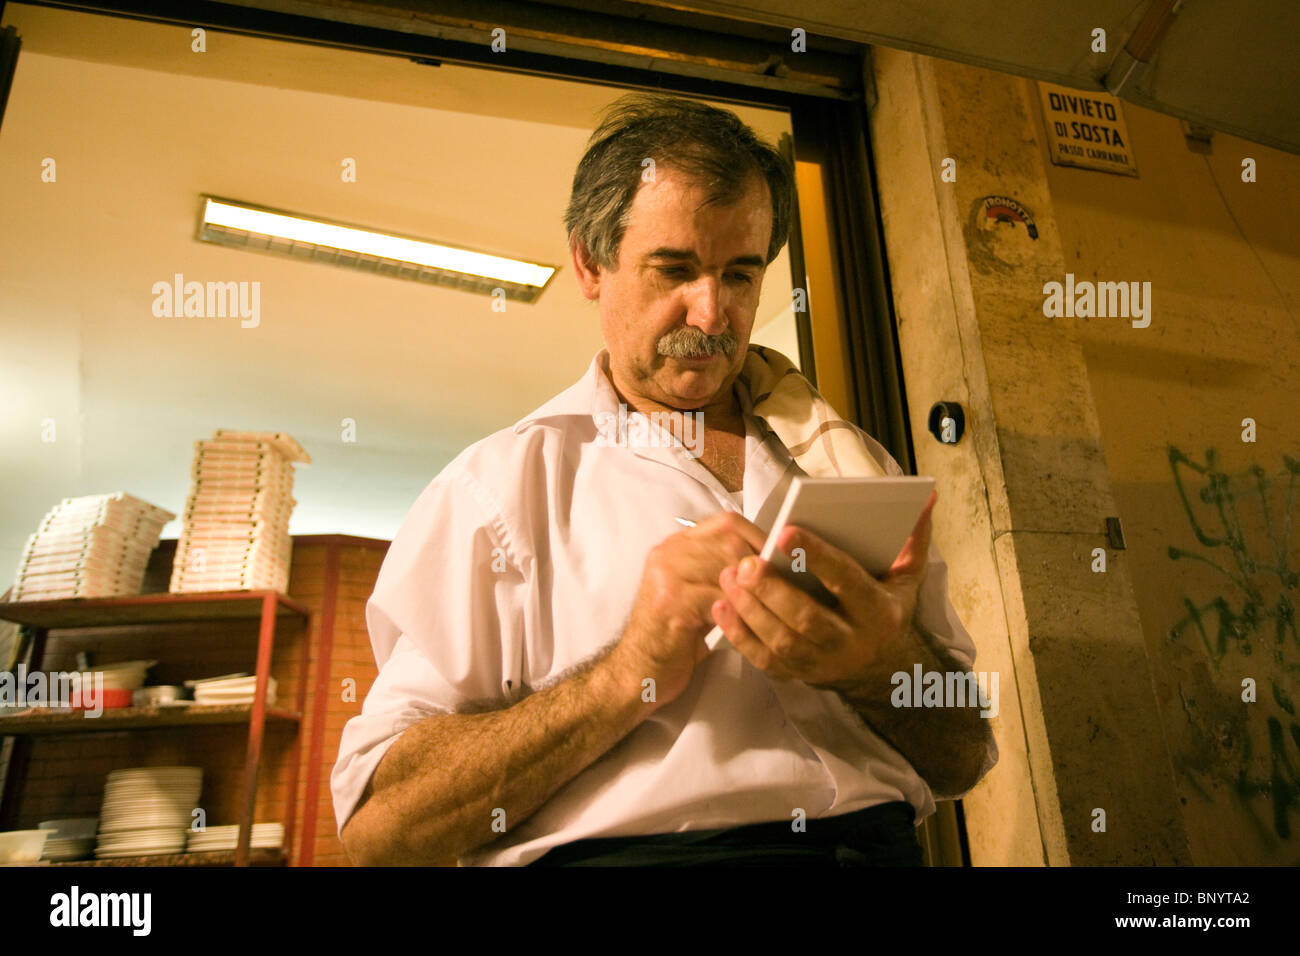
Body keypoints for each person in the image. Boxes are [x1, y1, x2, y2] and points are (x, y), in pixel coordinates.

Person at [332, 93, 997, 867]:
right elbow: (382, 831)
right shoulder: (496, 492)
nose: (713, 313)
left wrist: (878, 663)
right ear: (589, 261)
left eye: (741, 274)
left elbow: (963, 756)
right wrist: (626, 674)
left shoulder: (850, 465)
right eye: (674, 269)